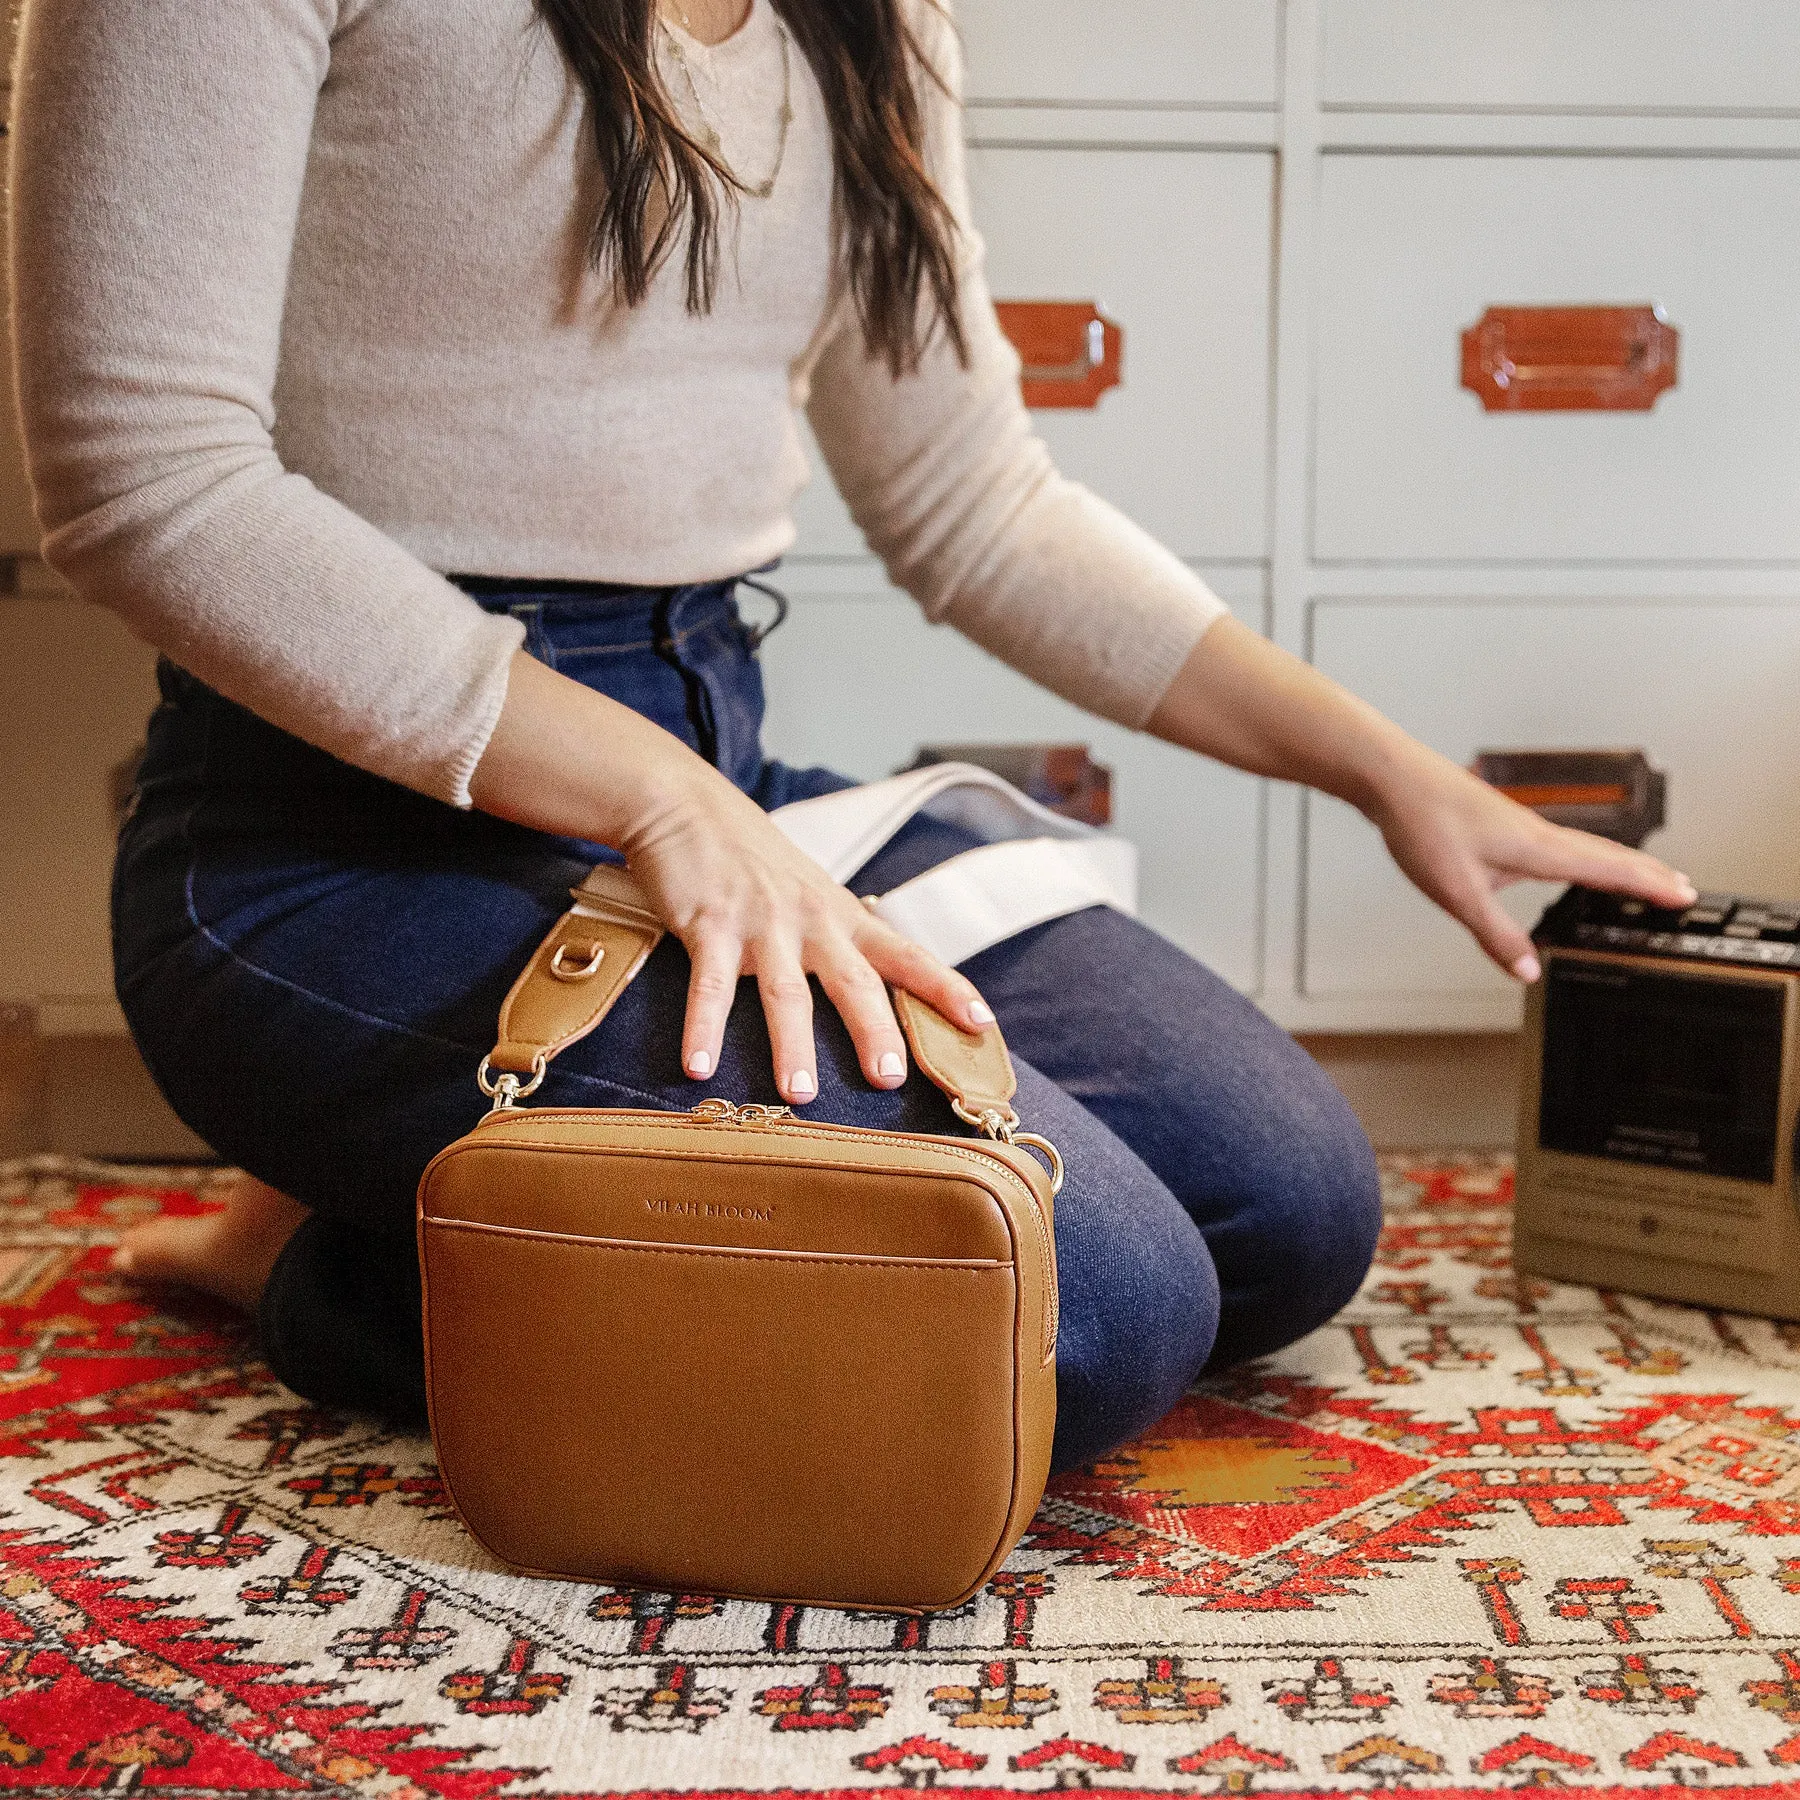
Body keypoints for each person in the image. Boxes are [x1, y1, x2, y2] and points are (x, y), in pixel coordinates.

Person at [11, 0, 1691, 1469]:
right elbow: (144, 479)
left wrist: (1393, 774)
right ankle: (318, 1268)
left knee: (1285, 1211)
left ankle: (423, 1212)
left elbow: (976, 506)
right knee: (1091, 1309)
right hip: (332, 845)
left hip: (715, 777)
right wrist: (656, 795)